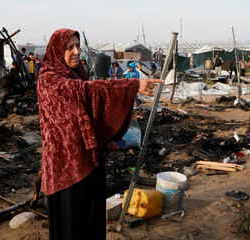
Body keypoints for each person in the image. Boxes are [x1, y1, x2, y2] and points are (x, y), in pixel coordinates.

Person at [36, 28, 162, 240]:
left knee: (90, 221)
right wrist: (131, 85)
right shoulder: (49, 80)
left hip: (88, 161)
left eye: (77, 46)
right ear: (57, 51)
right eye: (70, 47)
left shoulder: (77, 73)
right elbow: (86, 92)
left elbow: (88, 113)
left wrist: (105, 138)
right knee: (72, 226)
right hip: (65, 168)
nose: (77, 51)